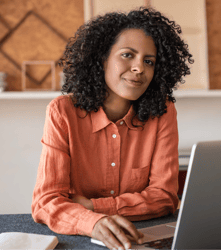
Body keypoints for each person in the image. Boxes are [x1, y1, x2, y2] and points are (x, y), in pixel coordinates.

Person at [31, 7, 193, 250]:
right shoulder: (62, 112)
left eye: (149, 61)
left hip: (138, 240)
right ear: (102, 58)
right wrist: (93, 222)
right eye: (128, 55)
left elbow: (165, 198)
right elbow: (46, 202)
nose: (139, 68)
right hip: (81, 239)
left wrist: (95, 208)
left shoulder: (164, 112)